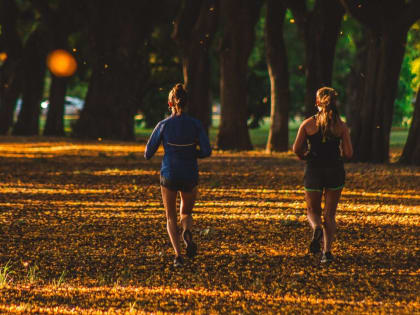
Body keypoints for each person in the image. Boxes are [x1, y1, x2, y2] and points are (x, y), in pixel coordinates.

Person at [144, 83, 212, 267]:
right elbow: (206, 151)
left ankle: (178, 256)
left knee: (170, 216)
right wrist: (191, 153)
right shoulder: (196, 124)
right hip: (189, 173)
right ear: (187, 103)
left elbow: (148, 153)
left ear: (170, 104)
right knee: (186, 212)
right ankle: (187, 233)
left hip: (169, 174)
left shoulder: (163, 125)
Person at [293, 87, 353, 263]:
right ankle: (327, 253)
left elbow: (296, 149)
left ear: (318, 102)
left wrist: (304, 156)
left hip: (314, 170)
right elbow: (348, 153)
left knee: (312, 210)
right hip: (335, 170)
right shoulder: (341, 126)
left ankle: (316, 227)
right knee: (330, 214)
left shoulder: (308, 124)